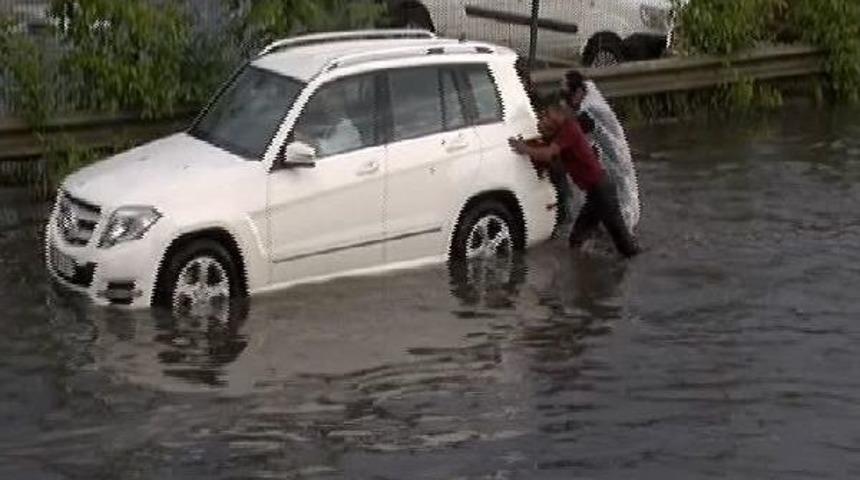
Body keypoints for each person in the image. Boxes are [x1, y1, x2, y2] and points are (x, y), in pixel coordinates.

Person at [509, 95, 641, 258]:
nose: (545, 119)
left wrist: (524, 148)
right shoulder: (561, 134)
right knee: (576, 239)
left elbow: (549, 154)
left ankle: (637, 267)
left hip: (602, 191)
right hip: (595, 193)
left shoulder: (569, 129)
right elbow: (555, 160)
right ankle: (587, 267)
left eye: (548, 116)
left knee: (626, 246)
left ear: (560, 114)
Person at [563, 71, 640, 231]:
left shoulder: (593, 111)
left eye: (566, 94)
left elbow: (619, 156)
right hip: (600, 184)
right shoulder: (586, 107)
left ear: (578, 92)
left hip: (612, 183)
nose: (565, 100)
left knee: (617, 226)